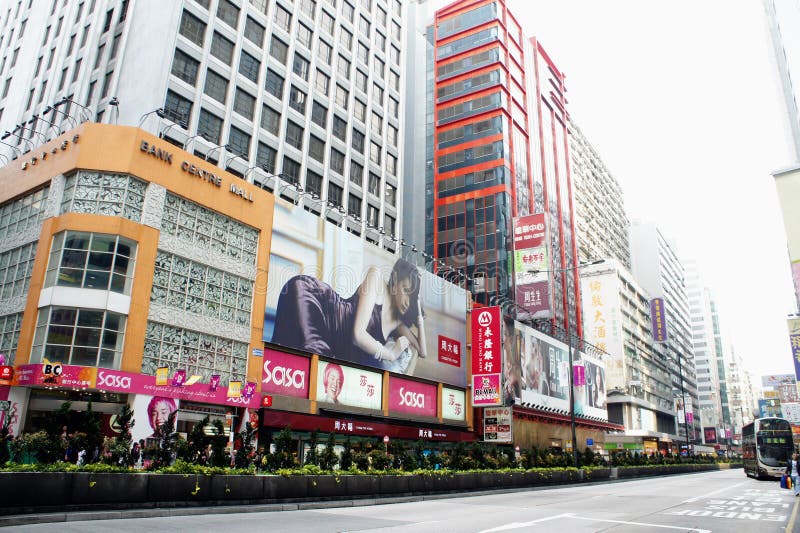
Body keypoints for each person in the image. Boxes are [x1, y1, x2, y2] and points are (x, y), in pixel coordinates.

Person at [272, 259, 427, 368]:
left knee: (310, 366)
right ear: (395, 280)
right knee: (314, 358)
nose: (408, 301)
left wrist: (418, 302)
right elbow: (357, 335)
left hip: (334, 348)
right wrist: (390, 354)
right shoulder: (376, 277)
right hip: (313, 298)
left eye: (411, 297)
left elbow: (422, 351)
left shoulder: (397, 323)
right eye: (406, 290)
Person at [501, 316, 521, 406]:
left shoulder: (516, 372)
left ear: (511, 339)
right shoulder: (491, 367)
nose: (500, 337)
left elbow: (517, 400)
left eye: (504, 333)